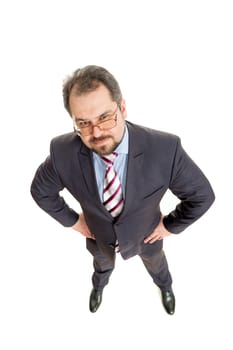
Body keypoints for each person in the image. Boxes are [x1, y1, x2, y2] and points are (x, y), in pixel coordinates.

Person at [30, 65, 215, 315]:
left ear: (123, 108)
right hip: (99, 239)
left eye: (105, 117)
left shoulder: (165, 148)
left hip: (148, 237)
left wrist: (169, 226)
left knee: (158, 266)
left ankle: (165, 286)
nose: (96, 132)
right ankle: (98, 287)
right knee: (101, 267)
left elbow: (202, 196)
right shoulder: (62, 152)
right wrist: (74, 221)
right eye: (84, 122)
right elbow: (41, 191)